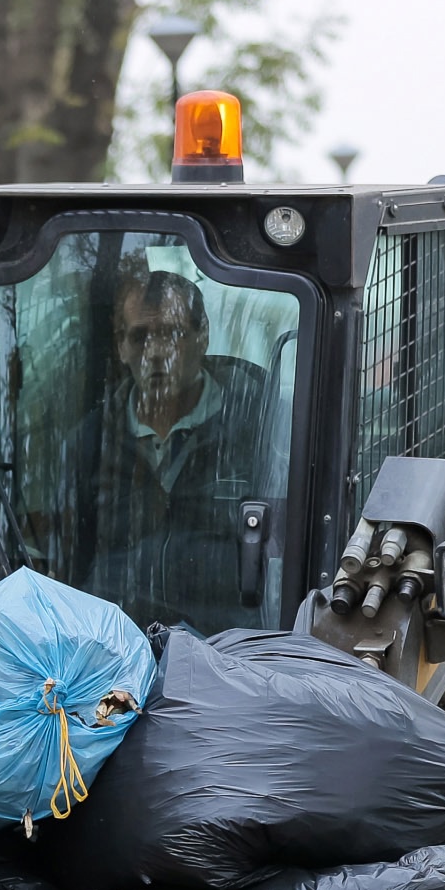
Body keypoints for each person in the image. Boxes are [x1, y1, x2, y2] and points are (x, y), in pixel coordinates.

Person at [86, 260, 269, 624]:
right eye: (139, 337)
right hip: (115, 650)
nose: (155, 352)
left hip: (235, 652)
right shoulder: (91, 442)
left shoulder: (259, 429)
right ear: (121, 347)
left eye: (171, 334)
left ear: (202, 338)